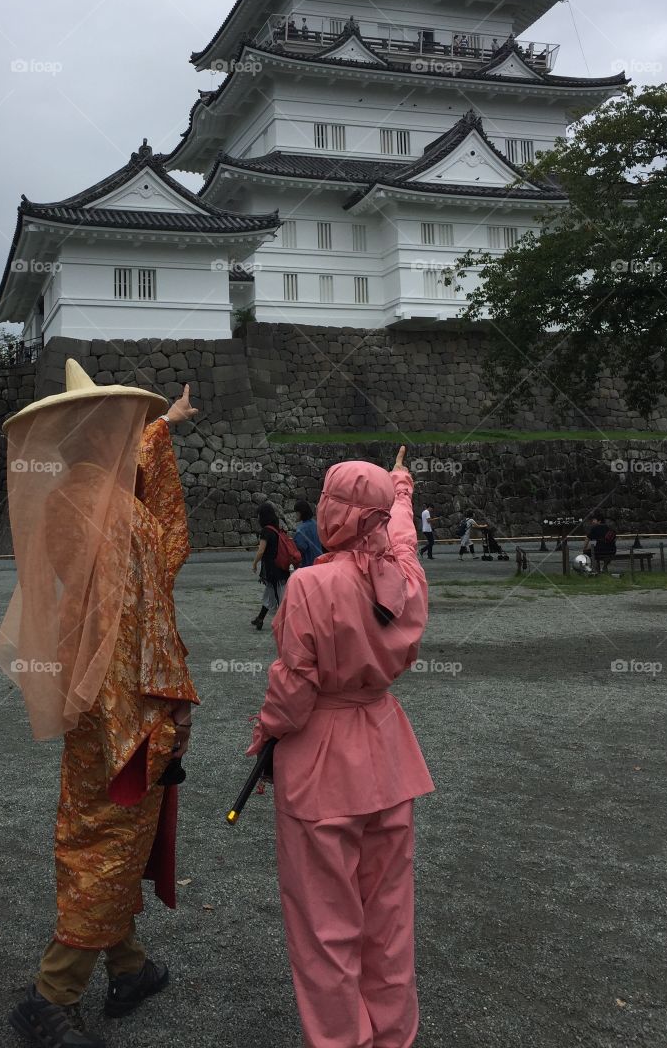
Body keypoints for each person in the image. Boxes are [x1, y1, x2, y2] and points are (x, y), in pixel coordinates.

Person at [0, 360, 200, 1048]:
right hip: (130, 701)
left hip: (87, 689)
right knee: (110, 835)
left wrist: (162, 431)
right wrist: (176, 704)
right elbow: (152, 592)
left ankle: (131, 967)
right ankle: (50, 994)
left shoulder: (64, 503)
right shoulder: (124, 516)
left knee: (99, 827)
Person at [247, 447, 434, 1048]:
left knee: (326, 927)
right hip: (387, 751)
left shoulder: (309, 584)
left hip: (322, 762)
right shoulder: (405, 576)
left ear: (332, 511)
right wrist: (400, 487)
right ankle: (393, 1036)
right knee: (389, 921)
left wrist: (266, 735)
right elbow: (400, 533)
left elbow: (295, 689)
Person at [251, 502, 290, 631]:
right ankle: (260, 618)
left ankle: (286, 623)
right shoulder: (276, 529)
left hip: (273, 569)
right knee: (271, 593)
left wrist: (254, 563)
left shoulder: (266, 531)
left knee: (279, 596)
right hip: (280, 567)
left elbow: (261, 551)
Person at [293, 499, 323, 568]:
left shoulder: (301, 530)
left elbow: (299, 550)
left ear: (301, 513)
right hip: (320, 562)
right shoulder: (316, 524)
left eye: (296, 512)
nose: (295, 515)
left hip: (308, 565)